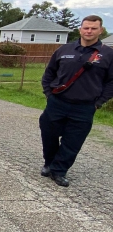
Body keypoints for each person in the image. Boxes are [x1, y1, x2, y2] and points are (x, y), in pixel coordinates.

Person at [40, 15, 113, 187]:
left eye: (93, 28)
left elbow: (111, 82)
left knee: (73, 141)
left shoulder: (108, 54)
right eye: (86, 27)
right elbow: (50, 73)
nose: (89, 31)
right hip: (58, 102)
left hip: (85, 106)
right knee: (48, 135)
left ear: (100, 31)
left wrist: (99, 102)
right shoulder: (64, 50)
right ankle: (49, 163)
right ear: (80, 29)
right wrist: (49, 94)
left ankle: (59, 171)